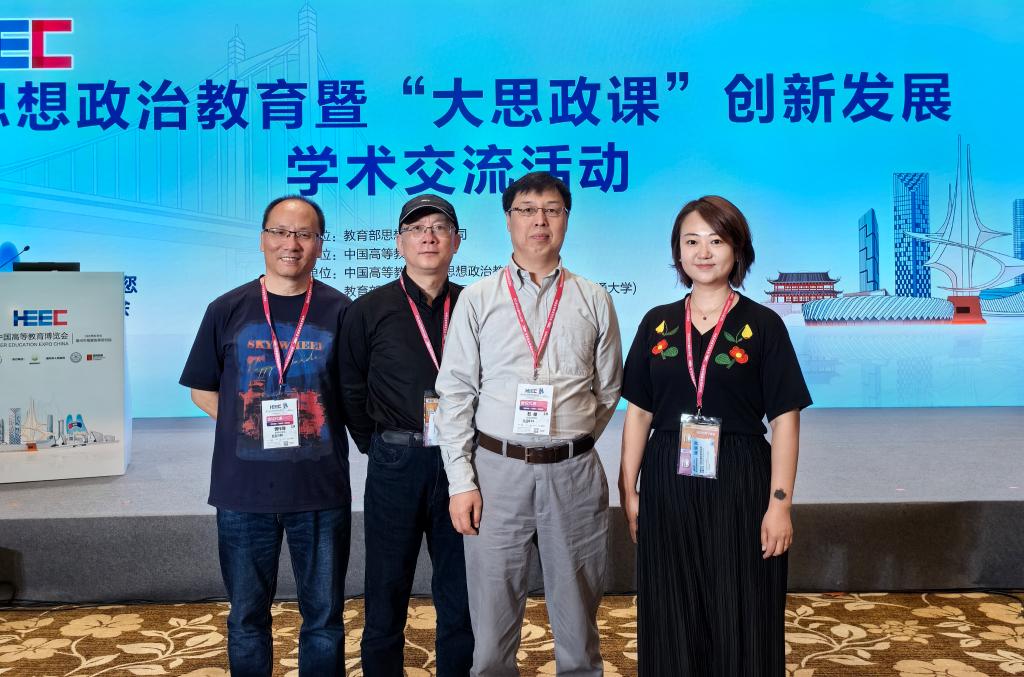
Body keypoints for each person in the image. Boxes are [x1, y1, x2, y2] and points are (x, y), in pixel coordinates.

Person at [435, 171, 623, 676]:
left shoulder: (593, 298)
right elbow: (456, 395)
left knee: (579, 626)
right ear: (508, 220)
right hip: (496, 473)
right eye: (527, 210)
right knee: (491, 628)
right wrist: (461, 482)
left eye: (552, 210)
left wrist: (570, 441)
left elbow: (607, 390)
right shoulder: (478, 299)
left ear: (566, 219)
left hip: (573, 474)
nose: (540, 220)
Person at [618, 195, 812, 676]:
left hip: (741, 477)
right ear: (678, 252)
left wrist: (780, 504)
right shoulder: (657, 322)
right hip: (667, 478)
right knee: (670, 607)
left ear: (737, 250)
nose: (703, 252)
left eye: (716, 241)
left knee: (743, 607)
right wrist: (628, 488)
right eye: (691, 242)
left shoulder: (763, 325)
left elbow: (785, 419)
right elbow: (639, 413)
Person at [179, 195, 351, 677]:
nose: (290, 244)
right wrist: (248, 424)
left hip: (319, 491)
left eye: (304, 234)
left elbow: (353, 394)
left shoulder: (340, 310)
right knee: (247, 619)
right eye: (280, 232)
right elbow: (201, 389)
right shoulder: (226, 308)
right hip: (243, 493)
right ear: (262, 239)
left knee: (324, 620)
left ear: (319, 245)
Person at [339, 194, 473, 676]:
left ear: (456, 241)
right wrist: (376, 444)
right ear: (399, 243)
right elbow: (350, 386)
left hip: (463, 465)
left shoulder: (475, 305)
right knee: (386, 587)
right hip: (396, 461)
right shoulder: (369, 309)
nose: (428, 237)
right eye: (416, 229)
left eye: (439, 227)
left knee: (460, 591)